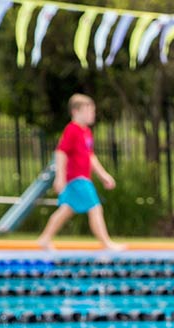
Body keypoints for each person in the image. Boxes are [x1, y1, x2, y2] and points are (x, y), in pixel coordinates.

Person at [36, 94, 124, 252]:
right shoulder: (72, 130)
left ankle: (44, 238)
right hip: (77, 179)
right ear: (76, 111)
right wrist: (60, 178)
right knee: (95, 208)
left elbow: (90, 157)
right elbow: (61, 153)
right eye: (88, 111)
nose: (92, 114)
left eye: (93, 111)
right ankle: (106, 243)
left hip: (82, 178)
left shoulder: (86, 132)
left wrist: (103, 175)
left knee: (66, 209)